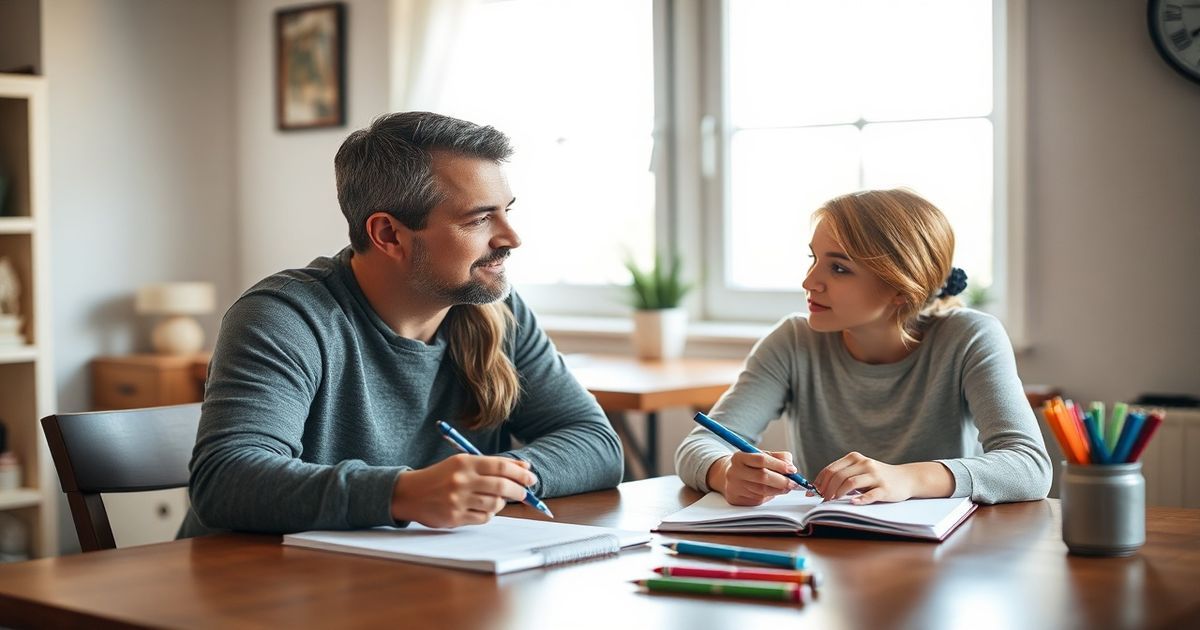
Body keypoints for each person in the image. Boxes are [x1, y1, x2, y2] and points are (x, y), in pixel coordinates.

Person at [180, 112, 623, 536]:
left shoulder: (497, 312)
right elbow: (226, 479)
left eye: (507, 210)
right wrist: (403, 493)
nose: (511, 237)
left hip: (409, 580)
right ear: (389, 234)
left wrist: (493, 481)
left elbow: (596, 443)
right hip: (255, 591)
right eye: (480, 218)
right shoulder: (284, 317)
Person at [675, 189, 1051, 506]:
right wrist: (726, 472)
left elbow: (1029, 466)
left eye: (839, 268)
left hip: (942, 558)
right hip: (825, 555)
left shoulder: (969, 337)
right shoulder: (793, 340)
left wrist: (908, 479)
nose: (809, 281)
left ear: (900, 289)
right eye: (814, 259)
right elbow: (699, 445)